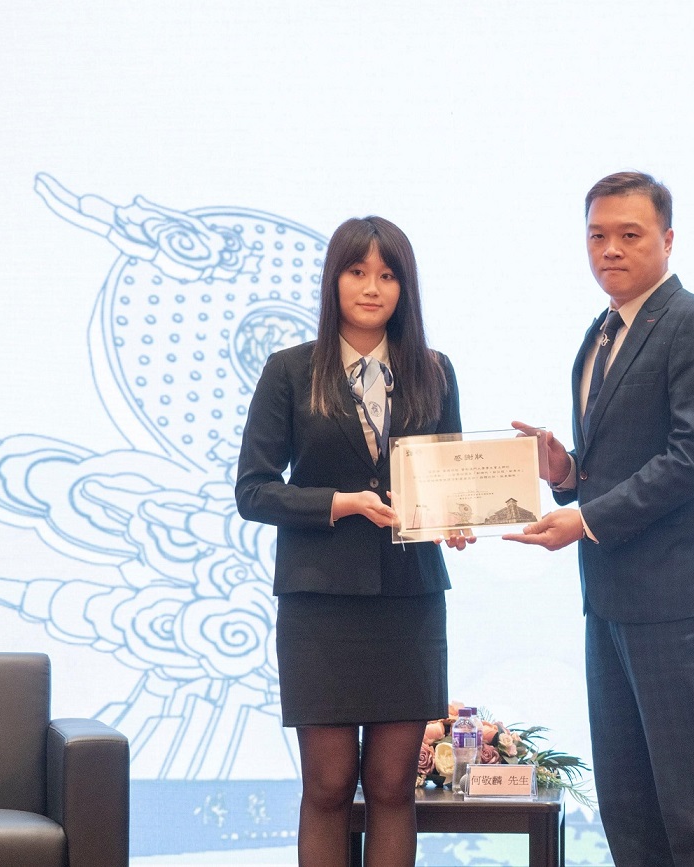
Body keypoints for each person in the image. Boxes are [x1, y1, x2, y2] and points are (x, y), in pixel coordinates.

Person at [505, 172, 694, 866]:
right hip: (611, 601)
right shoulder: (601, 334)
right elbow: (627, 461)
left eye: (629, 234)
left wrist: (584, 518)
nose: (609, 249)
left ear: (667, 240)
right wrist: (567, 474)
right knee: (628, 806)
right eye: (597, 235)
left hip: (680, 601)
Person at [235, 215, 471, 866]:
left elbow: (446, 480)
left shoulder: (435, 371)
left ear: (405, 287)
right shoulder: (290, 371)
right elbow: (252, 490)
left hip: (409, 599)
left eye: (388, 275)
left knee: (394, 785)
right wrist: (340, 503)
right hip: (320, 604)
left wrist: (458, 519)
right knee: (330, 784)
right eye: (358, 271)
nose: (372, 287)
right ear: (333, 279)